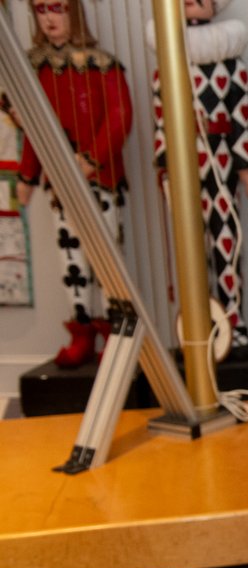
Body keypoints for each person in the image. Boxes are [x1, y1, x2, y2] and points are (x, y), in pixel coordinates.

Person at [16, 0, 133, 367]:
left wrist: (92, 158)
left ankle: (114, 330)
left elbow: (120, 116)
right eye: (41, 9)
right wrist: (27, 174)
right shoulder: (36, 70)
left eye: (57, 8)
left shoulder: (103, 65)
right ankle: (83, 327)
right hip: (60, 181)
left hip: (101, 179)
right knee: (72, 257)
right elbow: (36, 129)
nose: (50, 18)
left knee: (106, 256)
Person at [145, 0, 248, 358]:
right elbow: (162, 117)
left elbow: (241, 116)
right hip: (183, 164)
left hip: (221, 161)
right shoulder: (167, 67)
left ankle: (233, 322)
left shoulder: (232, 64)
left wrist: (244, 164)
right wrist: (164, 165)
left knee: (226, 240)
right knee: (189, 246)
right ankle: (198, 325)